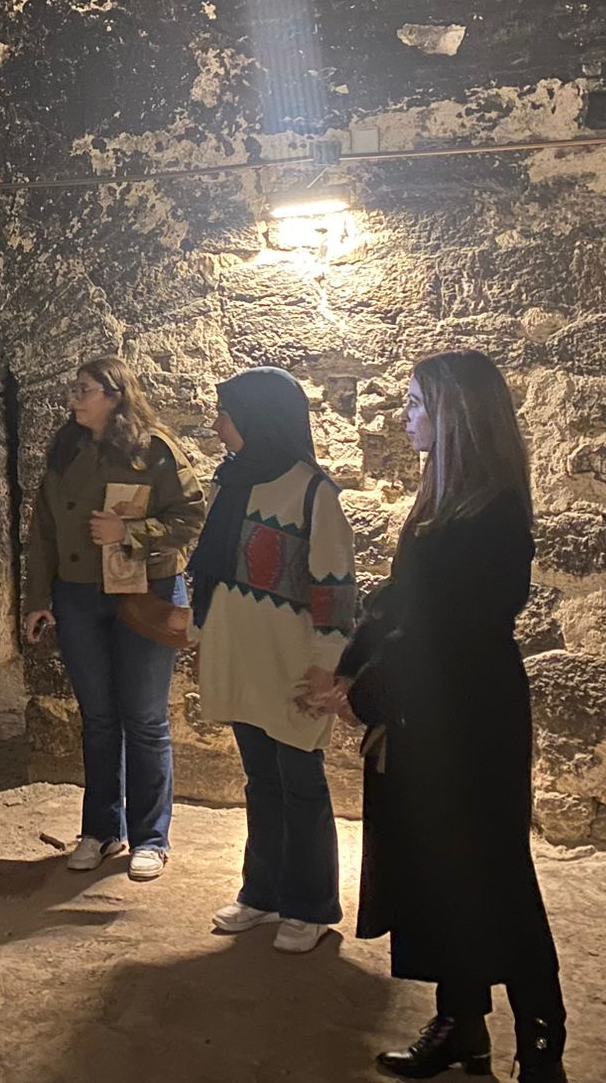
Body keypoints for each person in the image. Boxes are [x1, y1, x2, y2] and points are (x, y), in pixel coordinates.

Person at [301, 352, 566, 1082]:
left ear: (455, 415)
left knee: (495, 876)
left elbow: (451, 636)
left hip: (470, 714)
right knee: (438, 872)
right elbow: (401, 599)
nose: (405, 415)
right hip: (429, 709)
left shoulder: (493, 516)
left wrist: (364, 696)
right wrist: (351, 664)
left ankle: (543, 1046)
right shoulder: (442, 502)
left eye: (417, 403)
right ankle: (460, 1026)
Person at [187, 367, 360, 955]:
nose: (218, 426)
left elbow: (335, 586)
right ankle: (262, 892)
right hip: (242, 655)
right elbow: (213, 568)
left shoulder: (312, 493)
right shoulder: (231, 482)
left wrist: (327, 661)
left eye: (226, 414)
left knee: (300, 782)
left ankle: (310, 904)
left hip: (291, 663)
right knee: (261, 780)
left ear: (259, 418)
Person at [22, 357, 206, 879]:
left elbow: (191, 515)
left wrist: (130, 534)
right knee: (99, 718)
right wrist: (38, 597)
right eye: (74, 389)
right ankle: (102, 830)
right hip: (79, 595)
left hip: (142, 593)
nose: (74, 399)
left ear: (115, 395)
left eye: (84, 390)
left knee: (144, 719)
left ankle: (151, 837)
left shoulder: (155, 450)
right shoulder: (66, 447)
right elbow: (44, 529)